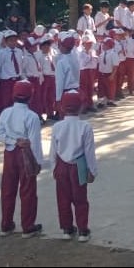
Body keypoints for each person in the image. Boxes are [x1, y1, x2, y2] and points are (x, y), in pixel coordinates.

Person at [0, 79, 44, 238]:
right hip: (26, 153)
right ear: (31, 96)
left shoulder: (6, 112)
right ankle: (28, 226)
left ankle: (6, 224)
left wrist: (13, 141)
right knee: (28, 190)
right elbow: (34, 142)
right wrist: (38, 162)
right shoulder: (32, 116)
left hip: (9, 153)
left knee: (8, 189)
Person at [50, 89, 97, 242]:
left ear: (62, 107)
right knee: (80, 198)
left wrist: (54, 167)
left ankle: (67, 229)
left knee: (63, 198)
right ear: (81, 106)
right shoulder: (85, 126)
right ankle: (83, 230)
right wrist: (92, 170)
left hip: (61, 164)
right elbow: (89, 151)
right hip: (79, 165)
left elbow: (53, 150)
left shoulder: (57, 127)